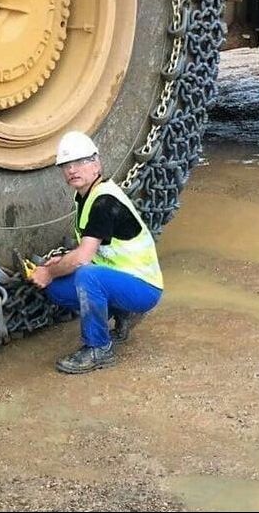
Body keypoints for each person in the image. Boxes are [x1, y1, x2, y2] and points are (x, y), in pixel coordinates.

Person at [29, 131, 163, 374]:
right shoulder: (85, 197)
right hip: (120, 277)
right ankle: (123, 312)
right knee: (57, 288)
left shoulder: (104, 202)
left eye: (80, 162)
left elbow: (83, 258)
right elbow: (93, 248)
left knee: (85, 276)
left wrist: (49, 271)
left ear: (96, 164)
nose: (72, 170)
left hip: (144, 287)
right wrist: (58, 265)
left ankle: (98, 348)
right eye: (66, 165)